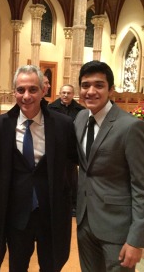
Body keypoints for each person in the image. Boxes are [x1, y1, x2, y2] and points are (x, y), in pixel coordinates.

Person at [0, 64, 78, 272]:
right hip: (17, 213)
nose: (26, 96)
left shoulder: (63, 124)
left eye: (33, 89)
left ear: (43, 91)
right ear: (14, 92)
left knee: (51, 266)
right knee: (17, 266)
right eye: (21, 90)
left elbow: (72, 162)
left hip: (52, 212)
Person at [74, 60, 144, 272]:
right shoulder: (79, 119)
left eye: (99, 85)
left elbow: (141, 187)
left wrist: (136, 239)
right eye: (85, 85)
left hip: (117, 228)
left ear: (111, 90)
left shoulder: (130, 127)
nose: (91, 91)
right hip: (85, 222)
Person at [48, 84, 85, 216]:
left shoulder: (80, 110)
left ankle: (73, 204)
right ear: (59, 93)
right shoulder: (50, 108)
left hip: (71, 149)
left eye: (68, 93)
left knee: (72, 178)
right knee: (54, 177)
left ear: (73, 94)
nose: (65, 95)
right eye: (63, 92)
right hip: (55, 148)